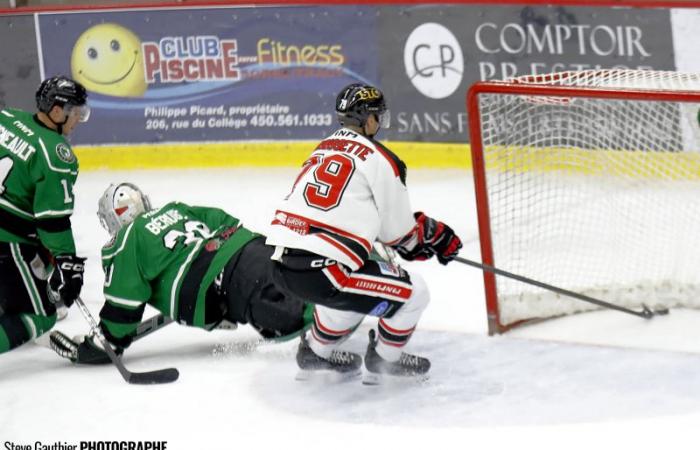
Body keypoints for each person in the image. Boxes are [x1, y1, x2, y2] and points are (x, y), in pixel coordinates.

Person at [265, 83, 462, 382]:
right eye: (377, 116)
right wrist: (435, 236)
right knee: (414, 293)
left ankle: (316, 351)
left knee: (352, 285)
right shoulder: (381, 159)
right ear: (367, 118)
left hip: (281, 265)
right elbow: (400, 235)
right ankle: (385, 358)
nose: (380, 121)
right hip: (324, 272)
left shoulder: (323, 147)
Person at [50, 182, 311, 364]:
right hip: (252, 247)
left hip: (222, 279)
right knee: (307, 277)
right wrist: (216, 246)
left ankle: (326, 330)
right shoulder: (175, 209)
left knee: (289, 315)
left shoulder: (126, 239)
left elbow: (125, 299)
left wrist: (100, 345)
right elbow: (225, 220)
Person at [0, 75, 90, 355]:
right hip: (6, 240)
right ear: (56, 112)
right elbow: (53, 222)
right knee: (42, 315)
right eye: (76, 112)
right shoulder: (55, 153)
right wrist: (68, 263)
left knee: (40, 258)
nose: (78, 119)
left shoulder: (6, 118)